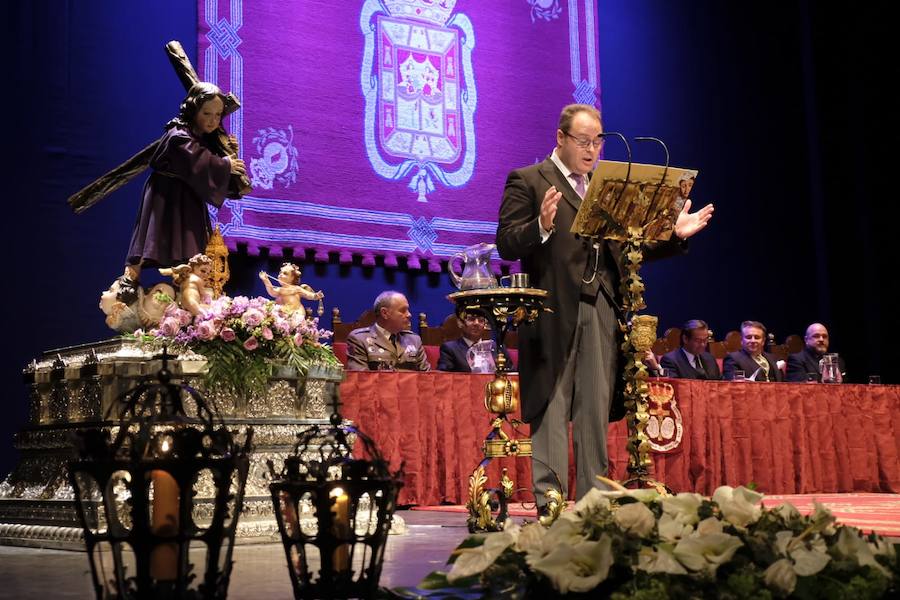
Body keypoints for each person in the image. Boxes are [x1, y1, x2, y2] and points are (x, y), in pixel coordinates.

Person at [496, 103, 714, 505]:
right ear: (560, 138)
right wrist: (540, 227)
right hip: (551, 310)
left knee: (594, 407)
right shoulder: (528, 179)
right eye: (583, 141)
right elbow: (506, 241)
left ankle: (594, 500)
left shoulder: (605, 188)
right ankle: (551, 502)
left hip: (601, 306)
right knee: (553, 402)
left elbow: (628, 248)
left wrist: (673, 235)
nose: (592, 149)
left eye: (597, 141)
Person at [121, 82, 246, 297]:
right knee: (152, 236)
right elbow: (193, 156)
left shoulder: (203, 138)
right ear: (193, 109)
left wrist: (228, 151)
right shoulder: (178, 133)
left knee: (189, 243)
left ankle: (187, 291)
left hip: (188, 195)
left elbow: (204, 156)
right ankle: (128, 286)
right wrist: (224, 164)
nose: (212, 120)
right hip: (166, 193)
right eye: (207, 113)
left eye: (218, 115)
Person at [345, 291, 430, 371]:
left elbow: (427, 377)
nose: (409, 314)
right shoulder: (360, 339)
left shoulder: (414, 340)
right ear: (385, 313)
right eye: (403, 310)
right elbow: (360, 379)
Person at [437, 310, 512, 372]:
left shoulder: (498, 348)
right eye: (471, 319)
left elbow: (512, 375)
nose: (476, 323)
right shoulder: (450, 349)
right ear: (460, 323)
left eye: (481, 320)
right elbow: (444, 378)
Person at [259, 262, 324, 320]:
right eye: (280, 272)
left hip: (296, 314)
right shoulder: (279, 290)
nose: (281, 274)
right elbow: (271, 291)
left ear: (293, 277)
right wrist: (266, 280)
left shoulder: (297, 289)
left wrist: (316, 295)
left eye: (285, 273)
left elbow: (308, 295)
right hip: (283, 316)